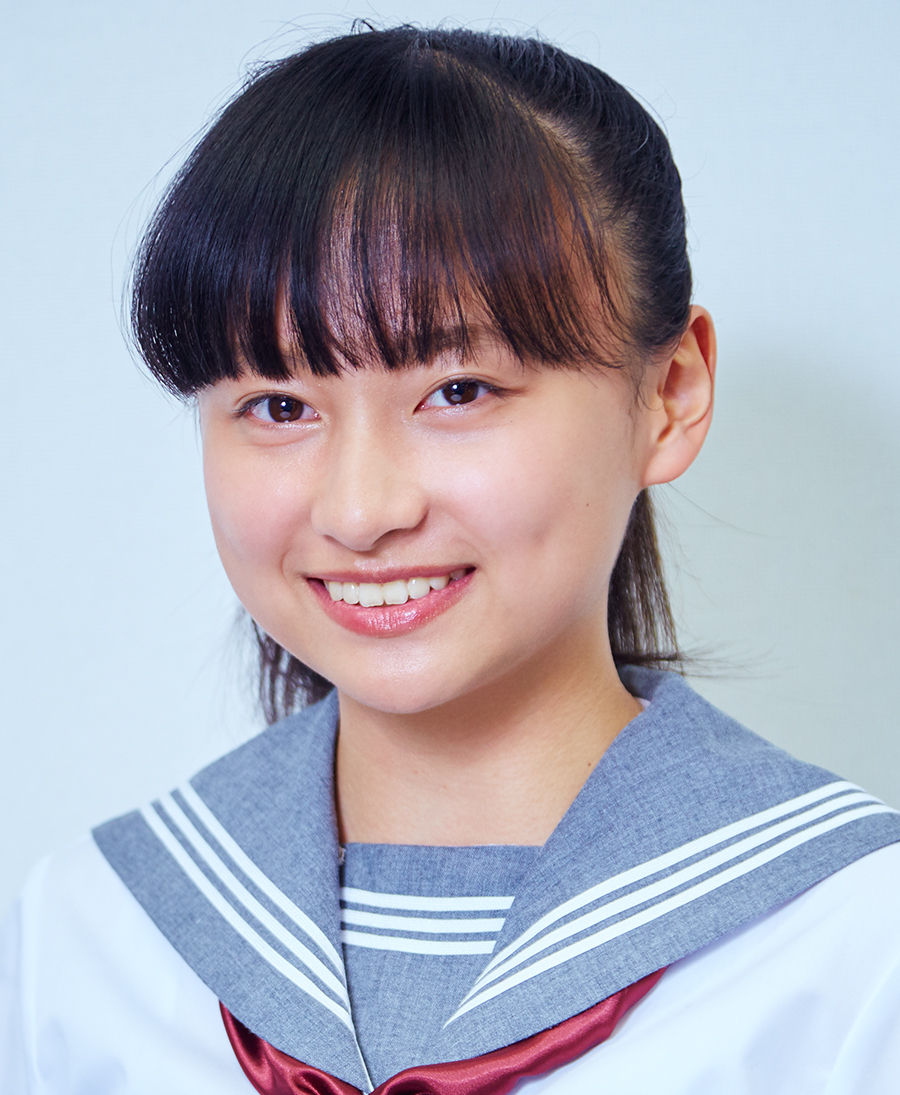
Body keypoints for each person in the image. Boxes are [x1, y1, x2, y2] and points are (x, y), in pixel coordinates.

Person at [2, 24, 899, 1094]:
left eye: (458, 391)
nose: (361, 509)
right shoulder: (89, 941)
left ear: (669, 395)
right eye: (279, 406)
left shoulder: (852, 946)